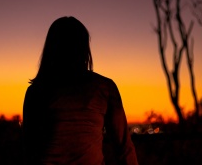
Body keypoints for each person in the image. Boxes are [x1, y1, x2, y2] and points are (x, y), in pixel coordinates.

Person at [23, 16, 138, 165]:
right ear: (84, 48)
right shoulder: (104, 87)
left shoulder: (36, 91)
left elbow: (28, 150)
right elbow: (123, 148)